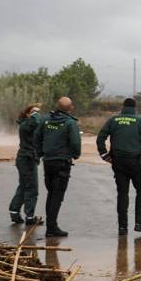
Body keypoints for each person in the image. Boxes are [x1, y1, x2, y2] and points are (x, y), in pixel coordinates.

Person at [96, 97, 141, 235]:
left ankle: (122, 227)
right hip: (136, 163)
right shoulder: (140, 121)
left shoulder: (113, 120)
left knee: (122, 194)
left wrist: (104, 154)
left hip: (118, 162)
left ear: (123, 107)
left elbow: (100, 137)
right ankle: (139, 224)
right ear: (135, 108)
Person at [35, 97, 81, 238]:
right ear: (70, 108)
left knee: (51, 194)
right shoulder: (70, 123)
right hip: (61, 163)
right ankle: (51, 227)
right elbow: (75, 142)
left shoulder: (45, 119)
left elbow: (37, 137)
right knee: (57, 195)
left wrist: (40, 153)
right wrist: (76, 155)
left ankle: (51, 225)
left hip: (48, 162)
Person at [9, 104, 42, 226]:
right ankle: (29, 217)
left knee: (24, 186)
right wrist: (34, 113)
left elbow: (38, 125)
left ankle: (14, 211)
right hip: (27, 160)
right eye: (34, 113)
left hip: (25, 159)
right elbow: (36, 122)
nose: (37, 115)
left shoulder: (26, 125)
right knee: (32, 188)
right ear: (28, 114)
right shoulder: (26, 124)